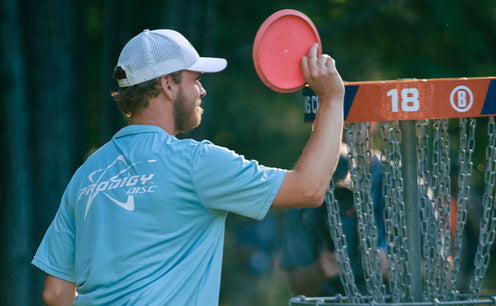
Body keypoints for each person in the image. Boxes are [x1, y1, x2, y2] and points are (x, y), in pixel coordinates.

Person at [31, 29, 345, 305]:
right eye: (195, 80)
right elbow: (309, 188)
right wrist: (331, 98)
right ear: (167, 85)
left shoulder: (86, 174)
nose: (202, 90)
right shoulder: (196, 163)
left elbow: (55, 294)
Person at [280, 147, 386, 297]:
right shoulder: (303, 201)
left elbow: (430, 271)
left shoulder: (396, 182)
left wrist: (394, 267)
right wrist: (319, 270)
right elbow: (297, 285)